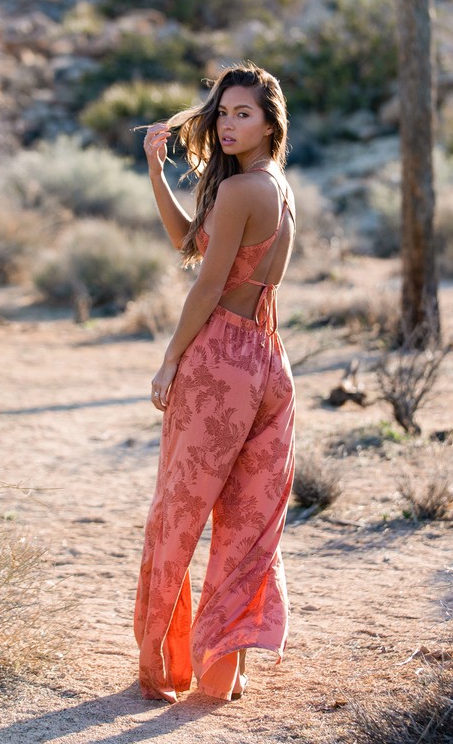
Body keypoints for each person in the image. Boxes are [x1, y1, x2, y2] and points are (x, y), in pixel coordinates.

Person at [134, 62, 296, 704]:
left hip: (220, 362)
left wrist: (170, 358)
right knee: (248, 522)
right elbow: (191, 244)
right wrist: (157, 172)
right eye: (223, 113)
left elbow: (206, 286)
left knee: (177, 514)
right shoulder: (275, 186)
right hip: (268, 360)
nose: (228, 124)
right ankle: (226, 673)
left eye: (243, 114)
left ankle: (166, 664)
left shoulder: (240, 191)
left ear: (269, 123)